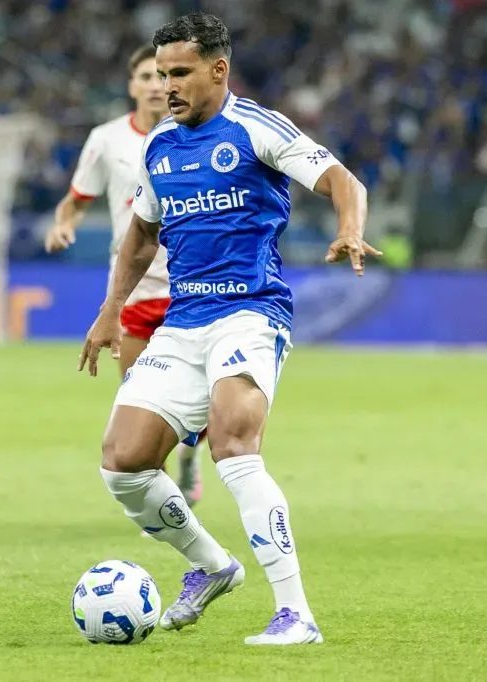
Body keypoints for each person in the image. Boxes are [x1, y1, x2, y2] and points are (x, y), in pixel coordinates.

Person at [79, 13, 381, 645]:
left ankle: (296, 613)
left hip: (249, 312)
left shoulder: (254, 127)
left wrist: (349, 226)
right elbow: (142, 232)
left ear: (219, 69)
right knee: (122, 462)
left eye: (180, 73)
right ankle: (212, 566)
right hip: (182, 319)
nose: (166, 87)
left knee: (234, 448)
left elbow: (340, 180)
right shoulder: (160, 145)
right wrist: (111, 309)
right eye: (160, 75)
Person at [46, 45, 204, 505]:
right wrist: (63, 225)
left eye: (162, 76)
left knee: (203, 400)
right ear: (132, 86)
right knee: (144, 400)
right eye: (146, 77)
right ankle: (166, 504)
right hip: (133, 289)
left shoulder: (197, 134)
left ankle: (191, 456)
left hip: (191, 287)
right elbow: (76, 200)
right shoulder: (107, 139)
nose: (156, 85)